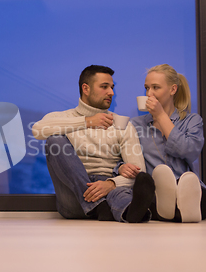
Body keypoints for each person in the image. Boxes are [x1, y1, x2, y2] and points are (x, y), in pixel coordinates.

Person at [32, 65, 155, 223]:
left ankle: (131, 212)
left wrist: (111, 184)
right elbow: (37, 130)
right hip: (74, 196)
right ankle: (99, 206)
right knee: (54, 140)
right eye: (104, 87)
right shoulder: (63, 117)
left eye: (112, 87)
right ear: (86, 88)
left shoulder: (122, 124)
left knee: (118, 192)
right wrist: (87, 122)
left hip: (108, 189)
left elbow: (139, 171)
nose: (111, 92)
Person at [118, 64, 206, 222]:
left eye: (155, 87)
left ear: (173, 89)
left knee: (204, 201)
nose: (149, 94)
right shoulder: (136, 125)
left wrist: (160, 115)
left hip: (185, 185)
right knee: (148, 195)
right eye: (147, 88)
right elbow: (119, 156)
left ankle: (175, 207)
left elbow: (188, 151)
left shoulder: (191, 121)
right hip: (154, 190)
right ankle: (176, 210)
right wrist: (121, 166)